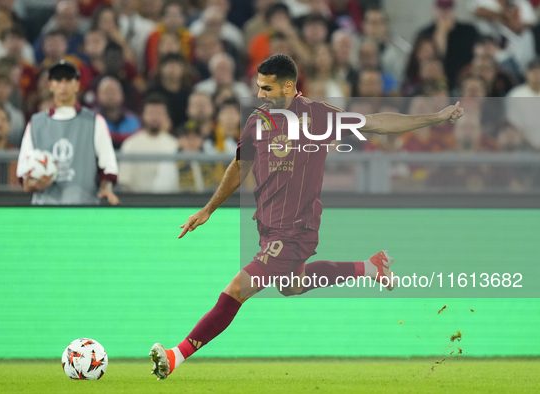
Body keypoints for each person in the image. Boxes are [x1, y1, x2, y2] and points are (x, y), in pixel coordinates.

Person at [148, 54, 464, 380]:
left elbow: (377, 123)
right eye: (258, 88)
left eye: (267, 88)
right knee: (293, 286)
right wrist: (209, 208)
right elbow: (241, 165)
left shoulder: (319, 116)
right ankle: (371, 267)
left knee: (236, 290)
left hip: (297, 230)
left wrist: (436, 117)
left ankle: (176, 356)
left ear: (288, 86)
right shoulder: (257, 120)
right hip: (269, 226)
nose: (260, 95)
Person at [16, 60, 119, 205]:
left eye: (68, 80)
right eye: (58, 80)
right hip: (45, 209)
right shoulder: (35, 123)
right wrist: (31, 185)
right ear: (50, 85)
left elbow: (108, 165)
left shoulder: (95, 121)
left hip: (83, 209)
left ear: (77, 85)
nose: (63, 85)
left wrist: (106, 188)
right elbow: (22, 171)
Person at [118, 95, 179, 193]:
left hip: (168, 202)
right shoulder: (130, 145)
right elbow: (124, 182)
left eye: (159, 113)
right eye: (151, 113)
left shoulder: (174, 144)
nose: (155, 117)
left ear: (166, 116)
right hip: (137, 201)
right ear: (143, 115)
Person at [96, 76, 140, 149]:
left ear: (122, 95)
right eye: (106, 92)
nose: (110, 96)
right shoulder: (91, 121)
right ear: (98, 95)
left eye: (113, 92)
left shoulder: (133, 121)